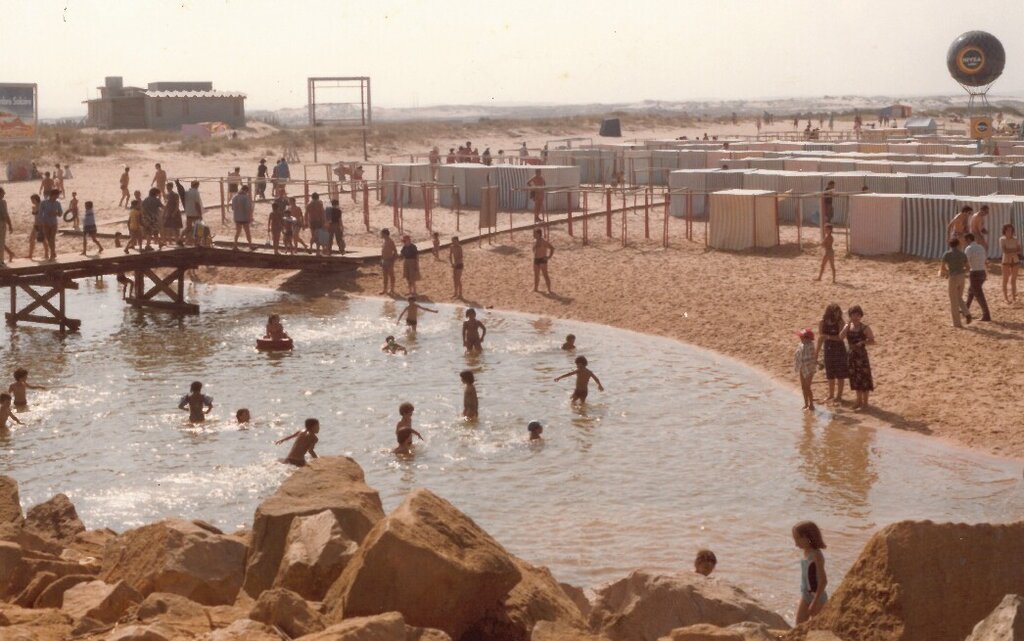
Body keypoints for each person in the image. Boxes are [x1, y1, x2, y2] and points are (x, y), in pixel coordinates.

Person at [840, 306, 875, 411]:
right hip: (851, 355)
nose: (855, 317)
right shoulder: (848, 326)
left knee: (864, 378)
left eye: (858, 315)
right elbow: (841, 337)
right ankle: (858, 401)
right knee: (855, 378)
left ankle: (865, 403)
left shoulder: (865, 328)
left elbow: (872, 341)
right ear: (850, 316)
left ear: (860, 316)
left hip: (861, 356)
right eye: (853, 315)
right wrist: (846, 326)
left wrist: (863, 342)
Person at [793, 521, 828, 624]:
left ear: (807, 537)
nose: (795, 543)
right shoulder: (805, 552)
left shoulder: (816, 555)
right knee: (799, 625)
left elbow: (823, 581)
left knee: (815, 626)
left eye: (797, 539)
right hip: (805, 595)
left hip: (817, 597)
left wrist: (815, 601)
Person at [815, 304, 848, 402]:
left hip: (839, 349)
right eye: (835, 312)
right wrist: (816, 353)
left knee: (840, 374)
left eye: (838, 312)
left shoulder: (840, 322)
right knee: (830, 373)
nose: (837, 314)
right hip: (828, 349)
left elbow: (841, 338)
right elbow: (821, 338)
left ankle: (839, 396)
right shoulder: (822, 322)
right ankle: (831, 395)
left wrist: (829, 337)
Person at [939, 238, 973, 328]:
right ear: (958, 245)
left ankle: (957, 323)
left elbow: (942, 268)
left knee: (953, 300)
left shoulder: (947, 254)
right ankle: (967, 313)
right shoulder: (962, 254)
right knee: (959, 297)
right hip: (961, 277)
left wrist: (948, 272)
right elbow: (968, 268)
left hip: (953, 277)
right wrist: (961, 271)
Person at [964, 233, 992, 322]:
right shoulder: (981, 247)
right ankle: (965, 309)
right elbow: (984, 260)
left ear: (968, 239)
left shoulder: (969, 248)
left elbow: (965, 261)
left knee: (978, 294)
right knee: (971, 291)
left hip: (974, 272)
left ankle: (986, 314)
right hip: (982, 272)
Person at [794, 328, 816, 411]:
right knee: (803, 387)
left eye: (802, 336)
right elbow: (798, 356)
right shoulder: (801, 344)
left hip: (809, 368)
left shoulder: (810, 345)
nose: (800, 338)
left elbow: (811, 357)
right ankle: (806, 404)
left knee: (807, 386)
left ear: (807, 338)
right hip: (802, 367)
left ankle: (811, 404)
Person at [38, 189, 62, 261]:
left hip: (54, 223)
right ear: (53, 195)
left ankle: (52, 255)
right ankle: (53, 252)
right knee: (48, 239)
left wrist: (56, 213)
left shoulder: (57, 203)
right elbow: (40, 214)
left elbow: (60, 214)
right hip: (45, 222)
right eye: (57, 195)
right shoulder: (44, 202)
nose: (58, 196)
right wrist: (41, 223)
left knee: (52, 239)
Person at [1000, 224, 1020, 303]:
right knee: (1005, 279)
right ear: (1004, 231)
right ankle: (1006, 298)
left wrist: (1011, 251)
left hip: (1015, 260)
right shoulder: (1002, 239)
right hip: (1006, 261)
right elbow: (1005, 251)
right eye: (1008, 230)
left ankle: (1014, 297)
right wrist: (1014, 250)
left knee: (1013, 280)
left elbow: (1019, 250)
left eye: (1011, 230)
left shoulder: (1015, 239)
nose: (1009, 232)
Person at [231, 185, 255, 251]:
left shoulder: (235, 197)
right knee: (247, 232)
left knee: (237, 232)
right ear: (246, 190)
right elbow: (248, 209)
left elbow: (233, 208)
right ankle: (250, 245)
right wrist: (250, 217)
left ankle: (235, 245)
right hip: (244, 218)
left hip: (237, 217)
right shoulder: (246, 197)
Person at [532, 228, 555, 293]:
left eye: (534, 233)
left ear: (539, 234)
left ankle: (549, 290)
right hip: (536, 259)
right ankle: (535, 289)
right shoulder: (534, 241)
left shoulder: (544, 241)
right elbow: (533, 250)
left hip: (542, 259)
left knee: (545, 275)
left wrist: (549, 257)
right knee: (536, 275)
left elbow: (552, 248)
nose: (533, 235)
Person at [380, 229, 397, 295]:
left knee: (391, 275)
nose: (381, 235)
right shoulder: (384, 241)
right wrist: (381, 259)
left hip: (389, 260)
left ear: (385, 234)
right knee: (385, 276)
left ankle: (392, 289)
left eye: (382, 234)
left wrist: (392, 260)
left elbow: (395, 251)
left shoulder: (390, 241)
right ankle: (385, 289)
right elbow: (383, 251)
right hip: (384, 260)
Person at [27, 194, 41, 260]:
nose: (32, 201)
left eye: (32, 200)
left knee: (43, 241)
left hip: (41, 225)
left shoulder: (41, 206)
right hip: (36, 224)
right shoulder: (34, 207)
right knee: (31, 239)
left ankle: (47, 254)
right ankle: (30, 255)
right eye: (31, 200)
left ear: (36, 199)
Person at [0, 188, 12, 267]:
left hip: (2, 223)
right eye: (3, 193)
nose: (4, 194)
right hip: (2, 223)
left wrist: (10, 224)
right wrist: (10, 225)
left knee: (1, 242)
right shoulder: (3, 202)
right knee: (1, 242)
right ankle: (1, 261)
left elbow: (6, 214)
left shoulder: (3, 202)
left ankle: (1, 260)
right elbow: (5, 214)